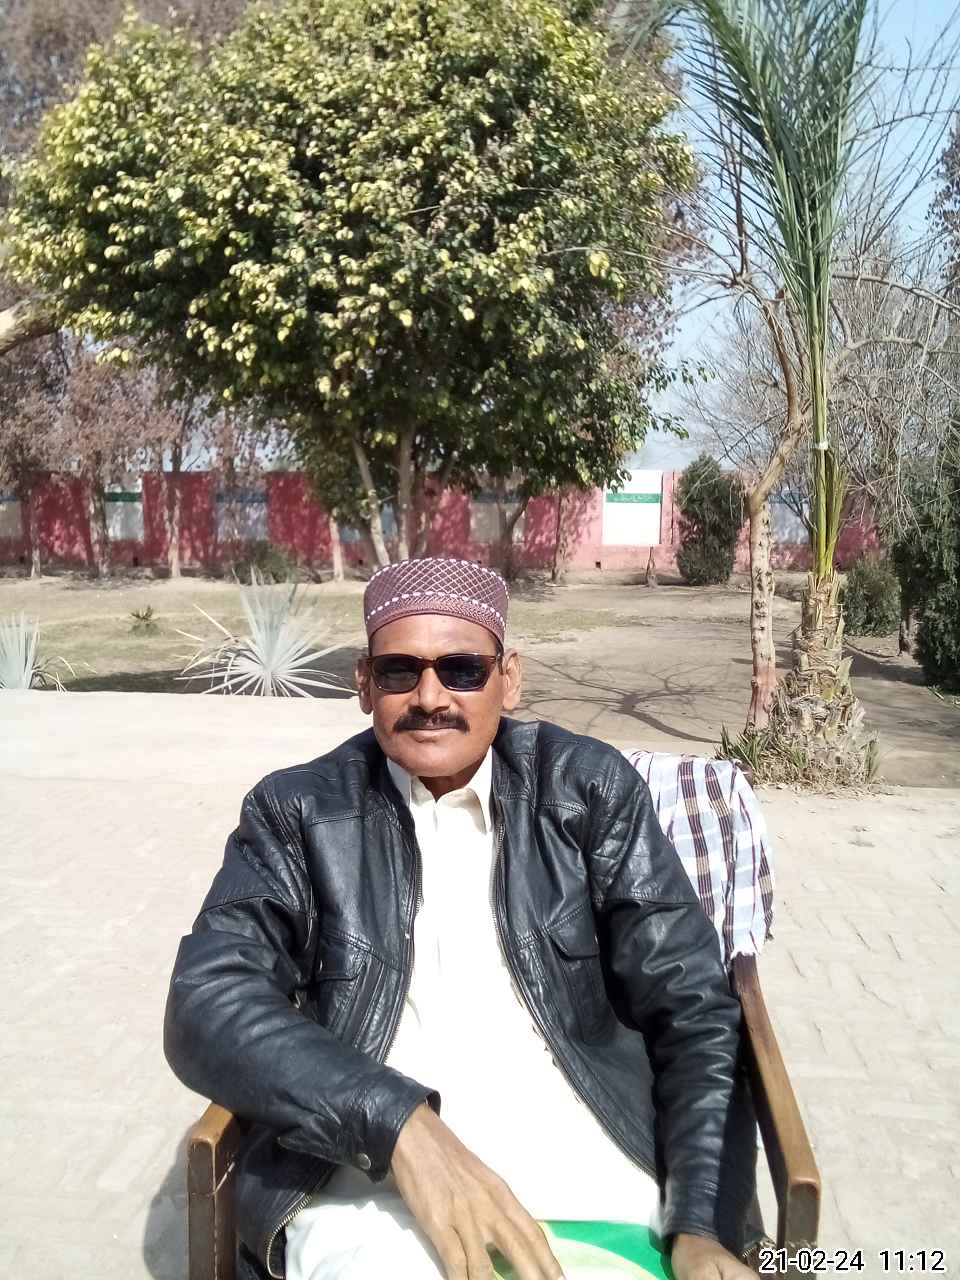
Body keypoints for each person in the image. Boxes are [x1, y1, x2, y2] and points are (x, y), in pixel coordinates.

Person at [165, 557, 757, 1280]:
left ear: (510, 678)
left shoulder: (589, 791)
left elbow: (693, 1008)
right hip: (373, 1192)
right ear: (364, 684)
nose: (430, 697)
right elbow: (206, 999)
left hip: (593, 1168)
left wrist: (701, 1225)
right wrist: (400, 1125)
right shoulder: (298, 812)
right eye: (399, 671)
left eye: (463, 670)